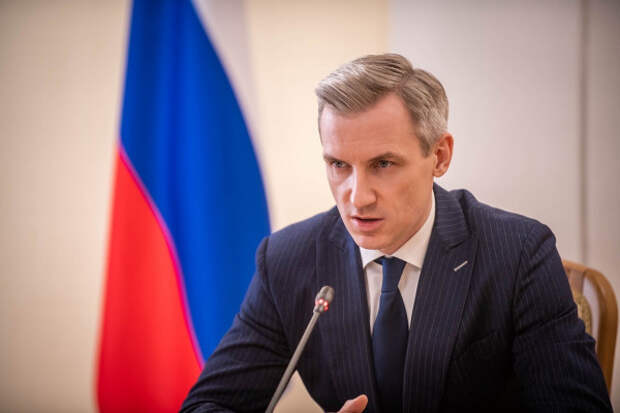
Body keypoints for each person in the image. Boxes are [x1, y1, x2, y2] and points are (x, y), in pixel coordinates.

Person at [181, 54, 611, 412]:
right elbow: (208, 405)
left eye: (383, 164)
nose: (357, 197)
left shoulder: (518, 254)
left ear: (439, 156)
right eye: (339, 165)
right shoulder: (287, 259)